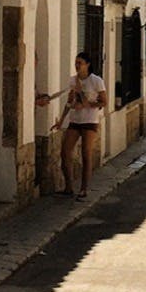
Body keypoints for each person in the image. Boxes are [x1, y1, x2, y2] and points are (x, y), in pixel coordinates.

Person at [49, 52, 106, 199]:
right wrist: (61, 120)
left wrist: (88, 104)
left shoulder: (96, 81)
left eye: (80, 62)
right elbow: (69, 102)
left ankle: (84, 189)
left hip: (90, 121)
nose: (77, 65)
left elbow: (104, 102)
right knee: (65, 152)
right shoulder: (72, 81)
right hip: (75, 121)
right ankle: (68, 186)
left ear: (87, 64)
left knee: (86, 154)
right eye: (75, 62)